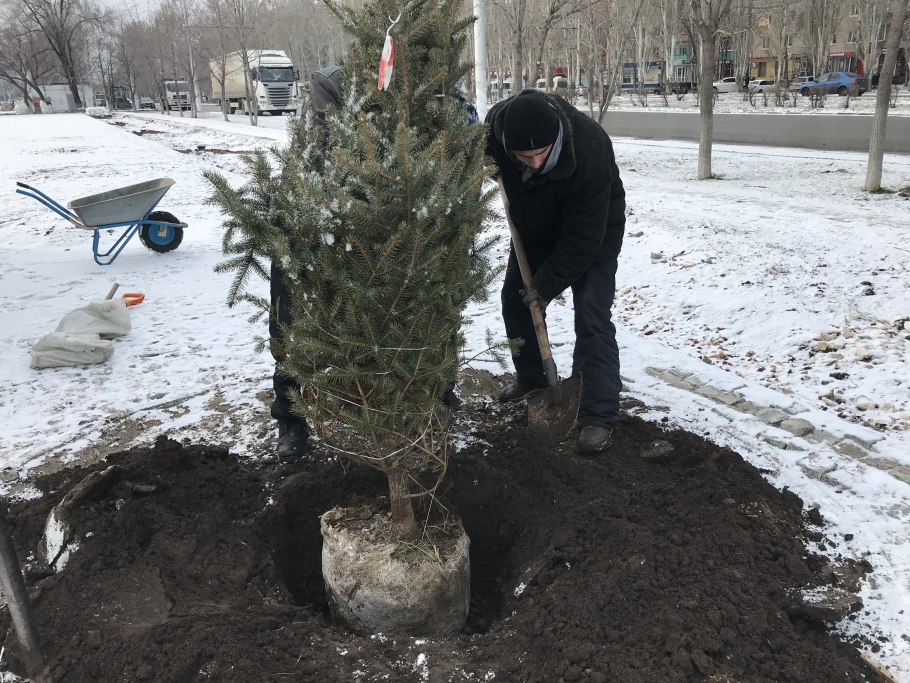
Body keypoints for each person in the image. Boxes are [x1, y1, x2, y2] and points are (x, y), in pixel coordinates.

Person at [485, 89, 626, 454]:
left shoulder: (590, 148)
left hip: (592, 233)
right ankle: (533, 380)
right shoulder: (499, 129)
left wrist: (544, 287)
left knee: (592, 317)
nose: (532, 163)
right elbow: (480, 155)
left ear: (556, 140)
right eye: (523, 156)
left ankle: (596, 412)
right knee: (516, 303)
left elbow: (582, 243)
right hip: (533, 229)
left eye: (541, 154)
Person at [270, 65, 342, 463]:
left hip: (366, 231)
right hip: (303, 227)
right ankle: (291, 419)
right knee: (288, 326)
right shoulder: (320, 109)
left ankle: (432, 392)